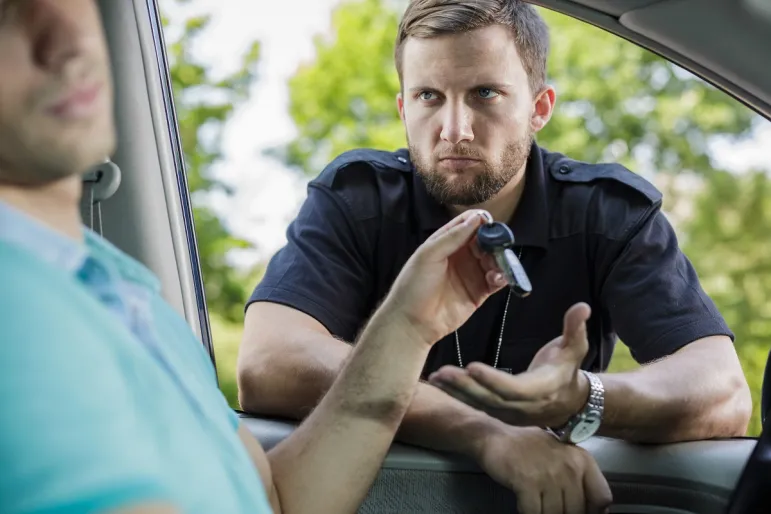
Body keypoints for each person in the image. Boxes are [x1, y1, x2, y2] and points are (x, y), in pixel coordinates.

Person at [0, 1, 581, 513]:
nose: (65, 37)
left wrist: (405, 327)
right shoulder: (18, 307)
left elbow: (276, 501)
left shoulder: (125, 294)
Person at [238, 0, 753, 509]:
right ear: (403, 109)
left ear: (540, 108)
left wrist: (580, 398)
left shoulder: (607, 213)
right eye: (428, 96)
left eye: (485, 93)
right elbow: (268, 362)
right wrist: (483, 432)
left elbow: (722, 391)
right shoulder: (357, 200)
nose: (454, 128)